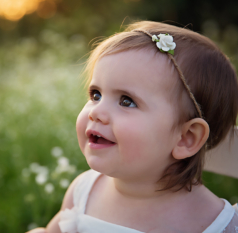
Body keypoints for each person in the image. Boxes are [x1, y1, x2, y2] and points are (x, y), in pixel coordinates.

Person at [28, 21, 238, 233]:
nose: (95, 112)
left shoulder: (216, 225)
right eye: (96, 95)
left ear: (186, 138)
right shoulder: (85, 191)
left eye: (126, 101)